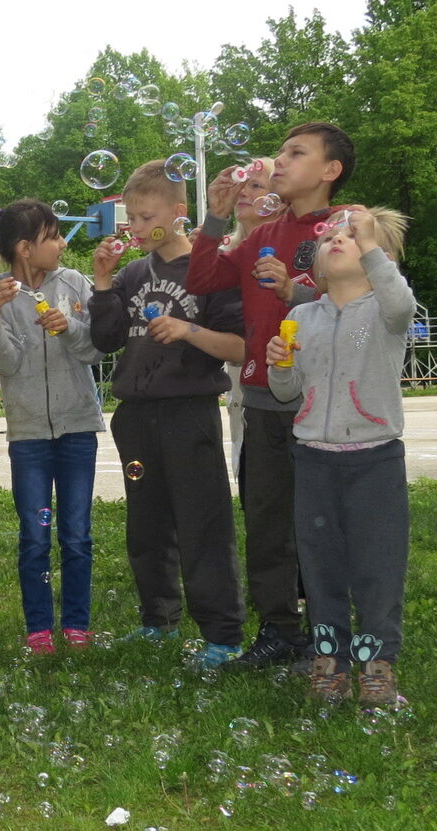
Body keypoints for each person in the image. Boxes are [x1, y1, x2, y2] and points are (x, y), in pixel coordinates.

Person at [189, 123, 356, 671]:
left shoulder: (346, 226)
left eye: (295, 153)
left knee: (323, 523)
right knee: (266, 519)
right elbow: (203, 278)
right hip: (262, 398)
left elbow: (364, 295)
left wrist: (298, 290)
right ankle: (280, 631)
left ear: (330, 172)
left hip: (323, 401)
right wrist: (215, 217)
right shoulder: (262, 231)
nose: (278, 162)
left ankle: (328, 634)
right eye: (279, 153)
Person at [88, 159, 248, 670]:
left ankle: (222, 633)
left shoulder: (212, 270)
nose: (132, 226)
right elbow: (107, 339)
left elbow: (238, 346)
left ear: (179, 213)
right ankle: (158, 620)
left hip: (189, 411)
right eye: (129, 217)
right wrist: (103, 285)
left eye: (143, 216)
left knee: (203, 524)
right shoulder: (135, 272)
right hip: (137, 414)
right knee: (147, 526)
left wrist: (186, 332)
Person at [265, 207, 416, 705]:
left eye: (351, 237)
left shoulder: (386, 312)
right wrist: (280, 367)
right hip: (314, 459)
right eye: (330, 236)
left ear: (380, 258)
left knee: (378, 568)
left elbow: (399, 300)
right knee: (321, 567)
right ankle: (329, 662)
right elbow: (287, 392)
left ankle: (377, 667)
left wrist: (370, 243)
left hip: (375, 461)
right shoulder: (299, 316)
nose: (336, 240)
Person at [0, 200, 104, 654]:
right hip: (28, 433)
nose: (64, 243)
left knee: (76, 531)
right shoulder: (0, 296)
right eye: (54, 236)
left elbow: (95, 351)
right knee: (33, 534)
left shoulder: (74, 283)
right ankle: (38, 628)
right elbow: (6, 365)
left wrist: (68, 326)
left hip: (77, 426)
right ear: (26, 248)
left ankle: (76, 624)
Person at [219, 155, 278, 473]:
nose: (242, 192)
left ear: (278, 200)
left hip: (286, 383)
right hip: (243, 387)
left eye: (255, 185)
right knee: (254, 480)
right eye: (241, 186)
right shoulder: (226, 255)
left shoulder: (298, 251)